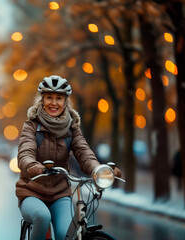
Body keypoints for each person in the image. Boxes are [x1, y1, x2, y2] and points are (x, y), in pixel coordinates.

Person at [15, 75, 122, 240]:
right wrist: (36, 168)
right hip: (32, 192)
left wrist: (99, 170)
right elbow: (25, 153)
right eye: (49, 97)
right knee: (43, 217)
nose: (54, 103)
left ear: (65, 102)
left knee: (66, 234)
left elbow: (84, 152)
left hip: (60, 194)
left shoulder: (72, 128)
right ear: (42, 100)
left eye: (59, 98)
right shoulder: (31, 126)